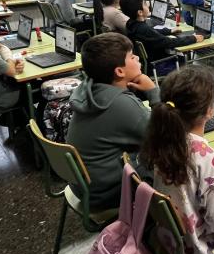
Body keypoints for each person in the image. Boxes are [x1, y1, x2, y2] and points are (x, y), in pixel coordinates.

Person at [141, 65, 214, 254]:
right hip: (197, 251)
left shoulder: (160, 136)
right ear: (210, 111)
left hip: (167, 240)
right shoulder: (206, 158)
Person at [66, 33, 160, 210]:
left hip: (83, 187)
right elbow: (165, 135)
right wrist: (153, 91)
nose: (137, 57)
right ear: (119, 72)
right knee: (169, 163)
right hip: (107, 194)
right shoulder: (122, 104)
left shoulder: (89, 88)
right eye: (131, 57)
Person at [120, 0, 200, 75]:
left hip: (146, 63)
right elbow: (169, 42)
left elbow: (151, 33)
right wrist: (193, 38)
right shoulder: (143, 29)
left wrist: (169, 31)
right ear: (140, 12)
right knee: (183, 60)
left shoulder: (131, 24)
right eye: (145, 4)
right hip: (157, 66)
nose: (148, 5)